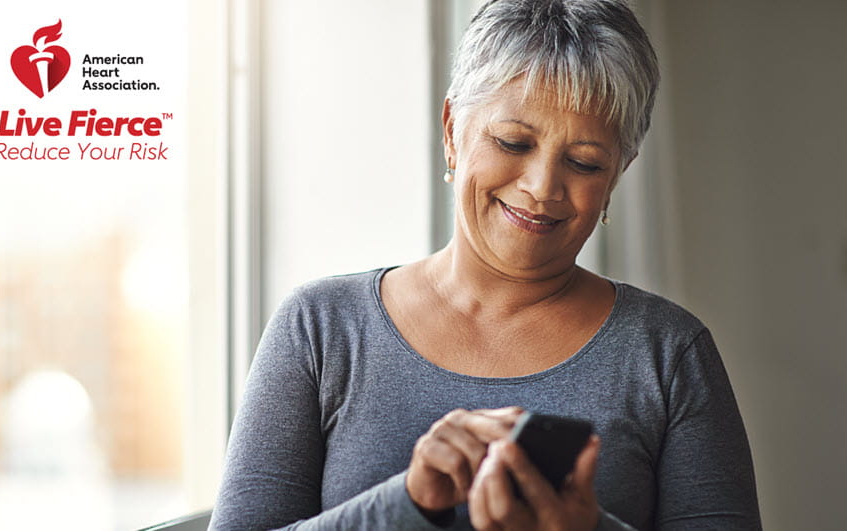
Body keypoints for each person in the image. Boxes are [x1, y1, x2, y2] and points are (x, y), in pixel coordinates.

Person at [209, 0, 761, 529]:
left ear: (619, 172)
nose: (542, 187)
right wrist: (410, 503)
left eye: (584, 162)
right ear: (452, 131)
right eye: (513, 142)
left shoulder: (668, 353)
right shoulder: (321, 329)